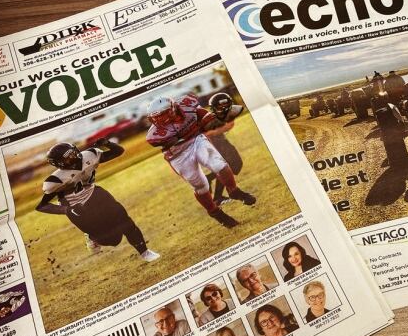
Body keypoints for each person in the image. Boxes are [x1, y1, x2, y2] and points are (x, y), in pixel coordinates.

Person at [36, 138, 160, 263]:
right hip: (78, 208)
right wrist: (67, 210)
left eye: (73, 153)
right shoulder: (56, 180)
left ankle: (145, 252)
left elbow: (118, 151)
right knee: (113, 240)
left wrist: (107, 144)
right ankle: (92, 237)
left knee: (125, 221)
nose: (74, 157)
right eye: (68, 158)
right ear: (59, 164)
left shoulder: (90, 155)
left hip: (94, 193)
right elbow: (42, 206)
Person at [145, 94, 255, 229]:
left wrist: (217, 118)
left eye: (161, 115)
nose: (158, 120)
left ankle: (234, 191)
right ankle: (215, 212)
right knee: (200, 186)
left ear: (172, 109)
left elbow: (206, 119)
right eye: (155, 117)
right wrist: (200, 126)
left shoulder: (188, 105)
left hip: (196, 140)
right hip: (177, 155)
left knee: (219, 165)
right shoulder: (154, 135)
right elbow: (179, 138)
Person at [204, 92, 246, 205]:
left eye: (226, 105)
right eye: (220, 106)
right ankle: (217, 196)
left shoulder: (229, 112)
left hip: (220, 140)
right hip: (214, 143)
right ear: (213, 108)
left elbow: (230, 123)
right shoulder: (209, 119)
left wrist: (219, 130)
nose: (224, 108)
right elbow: (205, 134)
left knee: (235, 166)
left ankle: (211, 183)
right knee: (233, 165)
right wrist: (214, 132)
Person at [370, 72, 408, 167]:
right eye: (378, 80)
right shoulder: (380, 92)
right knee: (392, 134)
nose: (379, 82)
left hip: (385, 116)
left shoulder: (377, 93)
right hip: (387, 114)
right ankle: (400, 158)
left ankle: (394, 159)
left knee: (388, 136)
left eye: (379, 80)